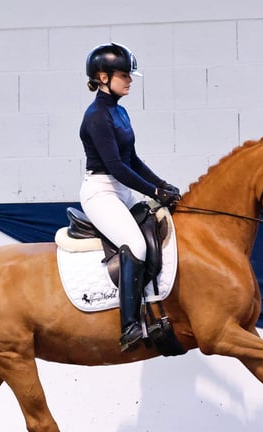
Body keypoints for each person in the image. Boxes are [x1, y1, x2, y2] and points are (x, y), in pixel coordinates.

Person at [79, 42, 181, 352]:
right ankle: (129, 326)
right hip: (101, 192)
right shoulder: (97, 115)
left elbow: (132, 159)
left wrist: (163, 184)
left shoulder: (119, 112)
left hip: (121, 189)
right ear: (103, 76)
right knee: (135, 244)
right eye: (124, 75)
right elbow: (115, 166)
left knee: (160, 226)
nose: (130, 80)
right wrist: (153, 191)